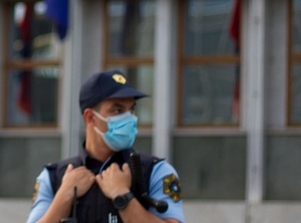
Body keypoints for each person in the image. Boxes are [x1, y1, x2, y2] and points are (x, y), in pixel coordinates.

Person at [26, 70, 184, 223]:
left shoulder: (155, 171)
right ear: (90, 117)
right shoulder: (54, 177)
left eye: (132, 109)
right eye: (117, 110)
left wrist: (123, 196)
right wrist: (64, 196)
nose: (129, 118)